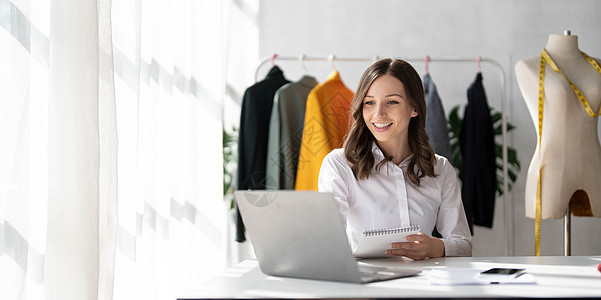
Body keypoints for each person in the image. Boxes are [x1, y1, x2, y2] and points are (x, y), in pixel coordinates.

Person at [318, 58, 472, 261]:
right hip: (367, 288)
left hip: (422, 288)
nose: (378, 113)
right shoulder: (339, 165)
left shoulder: (440, 169)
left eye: (392, 102)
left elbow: (464, 245)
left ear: (414, 108)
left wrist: (435, 247)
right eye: (369, 102)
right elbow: (327, 241)